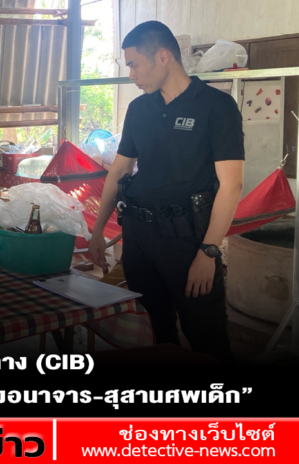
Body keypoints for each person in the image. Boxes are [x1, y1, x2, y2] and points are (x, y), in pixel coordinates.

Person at [88, 21, 244, 364]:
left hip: (187, 239)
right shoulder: (139, 109)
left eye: (134, 64)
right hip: (139, 237)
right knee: (153, 334)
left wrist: (208, 252)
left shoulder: (216, 107)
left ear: (162, 57)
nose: (131, 74)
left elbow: (231, 185)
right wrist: (98, 230)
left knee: (206, 338)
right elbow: (120, 169)